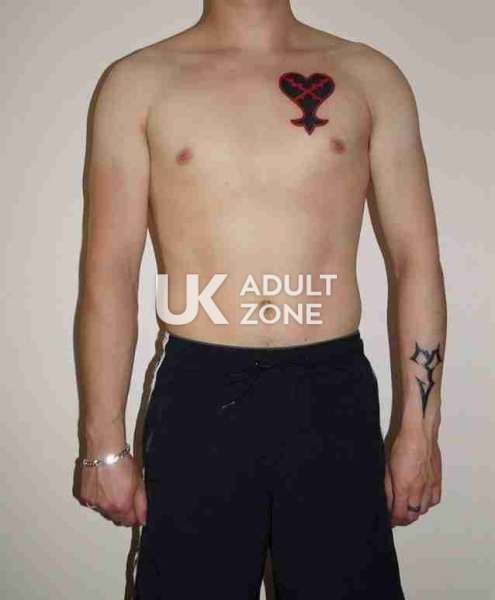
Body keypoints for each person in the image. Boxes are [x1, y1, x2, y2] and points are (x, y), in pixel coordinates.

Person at [75, 1, 446, 597]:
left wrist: (420, 434)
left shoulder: (369, 76)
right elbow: (109, 273)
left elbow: (415, 260)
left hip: (332, 396)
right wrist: (102, 448)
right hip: (199, 395)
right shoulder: (139, 81)